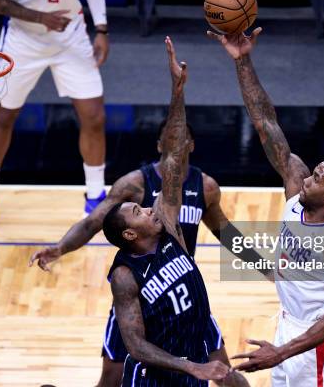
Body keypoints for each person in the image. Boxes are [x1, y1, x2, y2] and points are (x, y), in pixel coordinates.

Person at [29, 50, 250, 387]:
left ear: (191, 143)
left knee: (227, 374)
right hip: (148, 295)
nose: (150, 209)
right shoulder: (136, 190)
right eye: (140, 211)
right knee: (112, 378)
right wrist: (60, 248)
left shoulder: (185, 202)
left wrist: (178, 89)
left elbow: (224, 229)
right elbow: (93, 222)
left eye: (182, 139)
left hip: (182, 288)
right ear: (160, 142)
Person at [209, 28, 324, 386]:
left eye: (317, 179)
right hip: (287, 322)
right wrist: (242, 59)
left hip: (318, 340)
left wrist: (280, 352)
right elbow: (266, 123)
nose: (306, 179)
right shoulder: (299, 189)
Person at [0, 0, 109, 231]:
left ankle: (95, 196)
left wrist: (101, 28)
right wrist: (40, 17)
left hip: (70, 35)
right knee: (4, 115)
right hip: (23, 39)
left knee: (94, 117)